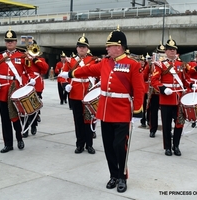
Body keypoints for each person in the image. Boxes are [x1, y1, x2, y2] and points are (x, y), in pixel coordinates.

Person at [59, 26, 144, 193]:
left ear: (119, 47)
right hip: (105, 111)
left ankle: (122, 176)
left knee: (120, 146)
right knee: (108, 147)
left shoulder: (132, 65)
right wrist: (70, 74)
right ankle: (113, 175)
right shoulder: (105, 62)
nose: (106, 48)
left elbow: (139, 89)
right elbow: (87, 70)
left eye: (109, 45)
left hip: (122, 112)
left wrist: (138, 113)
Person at [151, 36, 195, 156]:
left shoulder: (181, 65)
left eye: (174, 49)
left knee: (179, 123)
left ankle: (176, 145)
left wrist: (191, 84)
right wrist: (163, 89)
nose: (172, 51)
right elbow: (154, 80)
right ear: (165, 51)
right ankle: (167, 147)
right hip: (166, 99)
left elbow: (185, 79)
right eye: (169, 49)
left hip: (179, 100)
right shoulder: (160, 65)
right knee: (166, 125)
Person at [0, 28, 28, 153]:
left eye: (12, 41)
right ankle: (8, 144)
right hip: (2, 92)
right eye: (7, 41)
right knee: (5, 119)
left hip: (16, 91)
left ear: (16, 42)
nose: (9, 43)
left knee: (16, 117)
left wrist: (28, 84)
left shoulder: (22, 56)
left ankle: (19, 139)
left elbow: (27, 72)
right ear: (5, 43)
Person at [63, 33, 97, 154]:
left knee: (89, 120)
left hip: (88, 93)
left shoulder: (93, 60)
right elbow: (63, 75)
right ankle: (80, 144)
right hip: (75, 93)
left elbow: (99, 75)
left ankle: (89, 145)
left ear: (87, 48)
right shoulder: (71, 61)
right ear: (76, 48)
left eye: (84, 47)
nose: (82, 49)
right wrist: (65, 84)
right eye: (79, 46)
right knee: (78, 121)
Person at [22, 39, 49, 138]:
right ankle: (25, 128)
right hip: (26, 83)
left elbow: (45, 68)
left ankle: (33, 125)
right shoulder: (24, 57)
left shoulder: (40, 59)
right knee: (24, 108)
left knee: (33, 108)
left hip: (36, 85)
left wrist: (34, 59)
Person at [148, 44, 165, 138]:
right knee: (153, 111)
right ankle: (152, 129)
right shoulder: (153, 63)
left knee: (166, 113)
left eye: (163, 52)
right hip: (155, 91)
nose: (161, 54)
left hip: (165, 90)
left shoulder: (169, 62)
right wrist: (152, 63)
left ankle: (167, 129)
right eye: (160, 52)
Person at [139, 55, 150, 128]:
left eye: (143, 61)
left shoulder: (147, 67)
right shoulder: (138, 68)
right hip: (141, 89)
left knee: (148, 106)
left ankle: (148, 120)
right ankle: (143, 120)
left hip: (147, 88)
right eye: (141, 61)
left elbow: (145, 76)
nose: (142, 62)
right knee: (142, 105)